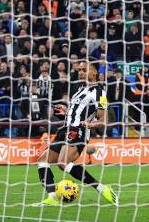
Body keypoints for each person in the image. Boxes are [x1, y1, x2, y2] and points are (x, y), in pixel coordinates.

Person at [36, 61, 117, 206]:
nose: (80, 72)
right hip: (65, 128)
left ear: (94, 73)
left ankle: (101, 188)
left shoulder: (99, 91)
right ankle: (52, 197)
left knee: (62, 163)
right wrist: (67, 111)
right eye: (79, 70)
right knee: (42, 161)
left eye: (84, 70)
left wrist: (89, 124)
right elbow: (79, 111)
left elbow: (103, 119)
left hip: (78, 131)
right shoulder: (80, 89)